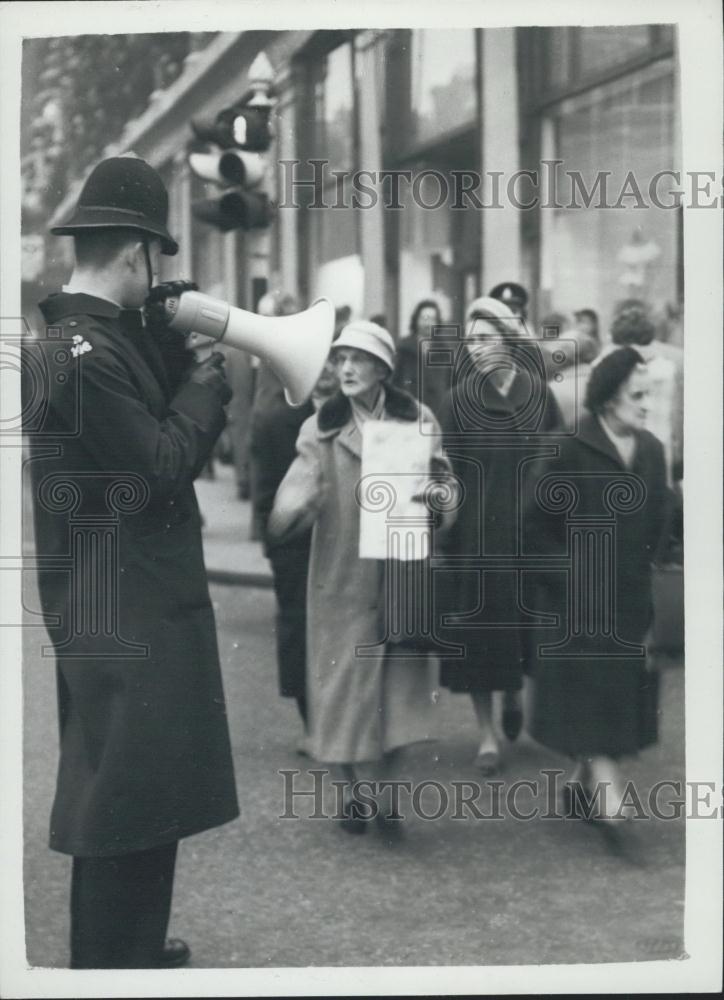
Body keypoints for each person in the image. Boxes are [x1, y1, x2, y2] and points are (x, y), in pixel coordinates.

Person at [29, 156, 239, 968]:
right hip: (126, 609)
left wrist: (172, 352)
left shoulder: (91, 341)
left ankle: (131, 948)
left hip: (122, 599)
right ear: (136, 253)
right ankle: (112, 964)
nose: (166, 278)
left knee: (136, 793)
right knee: (123, 803)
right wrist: (207, 385)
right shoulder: (79, 352)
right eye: (162, 261)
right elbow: (154, 467)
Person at [268, 321, 453, 836]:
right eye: (340, 358)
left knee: (400, 696)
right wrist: (291, 506)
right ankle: (352, 792)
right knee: (341, 696)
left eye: (358, 358)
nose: (345, 368)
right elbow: (300, 485)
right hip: (342, 578)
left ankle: (388, 796)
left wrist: (441, 497)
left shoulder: (417, 419)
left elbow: (445, 481)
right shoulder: (319, 429)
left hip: (401, 577)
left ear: (382, 368)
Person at [528, 347, 669, 845]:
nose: (648, 404)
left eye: (649, 395)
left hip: (629, 601)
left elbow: (660, 524)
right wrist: (568, 579)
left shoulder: (652, 451)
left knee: (612, 700)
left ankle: (580, 784)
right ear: (609, 399)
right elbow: (534, 528)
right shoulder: (566, 449)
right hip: (576, 603)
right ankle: (609, 795)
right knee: (593, 697)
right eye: (638, 395)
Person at [437, 297, 562, 775]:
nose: (476, 348)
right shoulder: (457, 400)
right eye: (470, 341)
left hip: (529, 536)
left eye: (485, 339)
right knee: (478, 636)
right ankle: (486, 734)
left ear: (508, 342)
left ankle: (514, 694)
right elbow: (444, 471)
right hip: (478, 540)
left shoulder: (539, 395)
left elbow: (557, 462)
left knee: (524, 630)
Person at [248, 295, 339, 730]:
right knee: (299, 626)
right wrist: (275, 538)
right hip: (296, 540)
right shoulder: (277, 412)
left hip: (334, 538)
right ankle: (310, 719)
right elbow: (266, 483)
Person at [392, 298, 448, 419]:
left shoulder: (445, 351)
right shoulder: (403, 348)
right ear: (416, 320)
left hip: (437, 413)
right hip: (409, 411)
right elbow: (394, 381)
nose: (428, 323)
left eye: (432, 319)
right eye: (424, 318)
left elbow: (451, 384)